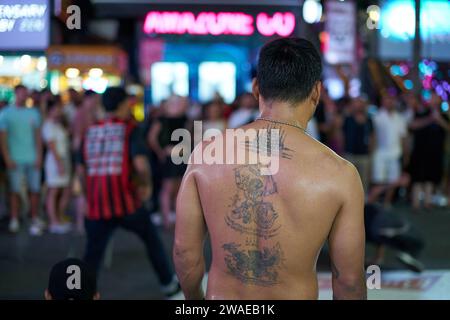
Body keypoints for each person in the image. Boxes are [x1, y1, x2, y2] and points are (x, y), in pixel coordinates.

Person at [174, 38, 366, 300]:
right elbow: (349, 280)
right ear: (316, 92)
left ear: (256, 88)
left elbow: (186, 254)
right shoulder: (340, 174)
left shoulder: (207, 155)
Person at [77, 87, 181, 298]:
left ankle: (82, 292)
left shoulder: (90, 131)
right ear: (124, 104)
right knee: (152, 242)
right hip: (126, 201)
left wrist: (88, 196)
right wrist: (146, 188)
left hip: (98, 202)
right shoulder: (129, 129)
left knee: (93, 253)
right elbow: (141, 165)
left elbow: (81, 170)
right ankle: (168, 284)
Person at [0, 85, 44, 235]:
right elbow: (3, 139)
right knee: (14, 190)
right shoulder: (6, 113)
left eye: (26, 94)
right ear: (16, 94)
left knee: (35, 189)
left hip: (32, 157)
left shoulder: (34, 113)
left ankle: (33, 216)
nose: (23, 96)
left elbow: (38, 137)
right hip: (15, 158)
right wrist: (7, 158)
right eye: (21, 93)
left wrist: (39, 156)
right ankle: (14, 218)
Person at [148, 95, 188, 230]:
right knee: (168, 188)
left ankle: (174, 217)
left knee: (178, 188)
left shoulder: (184, 119)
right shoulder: (161, 120)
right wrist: (160, 152)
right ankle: (166, 218)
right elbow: (152, 138)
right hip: (170, 157)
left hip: (182, 156)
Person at [409, 93, 449, 209]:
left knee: (431, 177)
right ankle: (416, 203)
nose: (433, 100)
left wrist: (439, 120)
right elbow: (413, 125)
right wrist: (430, 119)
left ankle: (427, 202)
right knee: (417, 178)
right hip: (420, 151)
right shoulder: (421, 113)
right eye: (432, 98)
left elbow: (447, 128)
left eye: (436, 98)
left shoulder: (443, 115)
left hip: (435, 152)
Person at [368, 94, 409, 208]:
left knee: (393, 179)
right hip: (380, 153)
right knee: (378, 179)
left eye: (391, 99)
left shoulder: (400, 118)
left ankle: (387, 202)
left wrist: (405, 154)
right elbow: (373, 137)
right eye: (387, 99)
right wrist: (372, 153)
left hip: (395, 153)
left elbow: (403, 138)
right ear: (382, 101)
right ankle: (373, 203)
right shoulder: (377, 117)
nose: (389, 102)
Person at [42, 98, 72, 234]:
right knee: (53, 191)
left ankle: (59, 218)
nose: (59, 111)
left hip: (63, 159)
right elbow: (52, 146)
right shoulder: (48, 125)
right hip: (55, 161)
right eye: (56, 108)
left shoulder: (58, 124)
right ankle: (54, 221)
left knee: (64, 190)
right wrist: (59, 163)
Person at [342, 96, 375, 193]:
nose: (359, 106)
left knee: (364, 181)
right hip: (350, 154)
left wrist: (371, 150)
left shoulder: (369, 120)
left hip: (364, 155)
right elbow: (342, 135)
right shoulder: (348, 119)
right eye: (357, 104)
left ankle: (363, 202)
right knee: (348, 180)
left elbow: (372, 136)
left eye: (361, 104)